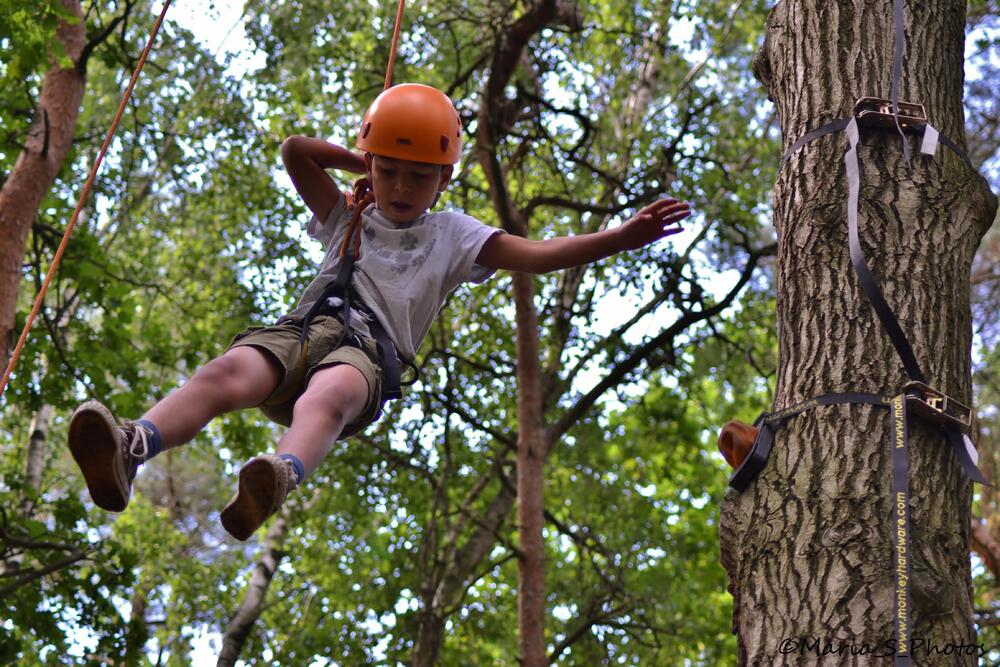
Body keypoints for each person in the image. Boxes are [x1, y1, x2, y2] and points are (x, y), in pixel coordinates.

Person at [67, 83, 691, 541]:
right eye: (387, 172)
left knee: (330, 394)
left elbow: (539, 255)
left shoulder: (454, 235)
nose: (397, 189)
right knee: (224, 373)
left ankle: (280, 474)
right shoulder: (349, 212)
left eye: (418, 178)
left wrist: (620, 237)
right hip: (302, 332)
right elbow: (295, 152)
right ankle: (132, 446)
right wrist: (359, 163)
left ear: (444, 179)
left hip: (365, 353)